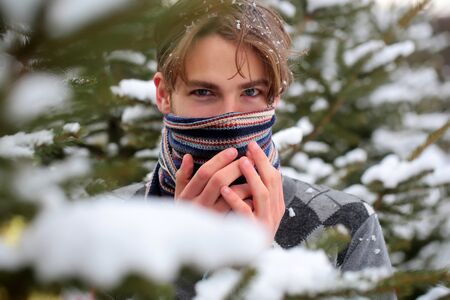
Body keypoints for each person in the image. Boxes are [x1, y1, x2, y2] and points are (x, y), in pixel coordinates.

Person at [128, 0, 395, 298]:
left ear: (275, 95)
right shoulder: (105, 229)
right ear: (164, 95)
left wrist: (259, 265)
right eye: (203, 92)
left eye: (251, 92)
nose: (230, 117)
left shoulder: (345, 224)